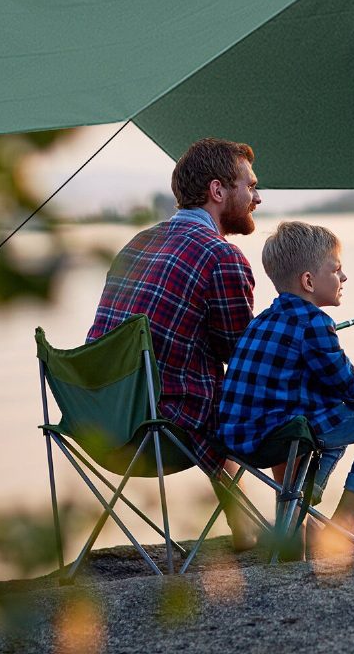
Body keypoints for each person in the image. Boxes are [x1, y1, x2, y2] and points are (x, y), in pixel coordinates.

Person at [87, 137, 261, 550]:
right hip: (158, 433)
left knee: (201, 389)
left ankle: (246, 526)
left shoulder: (137, 243)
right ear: (218, 191)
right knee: (261, 393)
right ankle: (292, 527)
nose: (257, 198)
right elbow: (242, 363)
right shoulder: (222, 257)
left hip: (98, 422)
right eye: (250, 187)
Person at [218, 221, 354, 556]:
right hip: (282, 440)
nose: (344, 278)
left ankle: (299, 521)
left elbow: (308, 378)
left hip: (240, 443)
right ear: (309, 281)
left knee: (330, 412)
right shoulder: (315, 323)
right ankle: (344, 521)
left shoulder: (262, 321)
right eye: (337, 270)